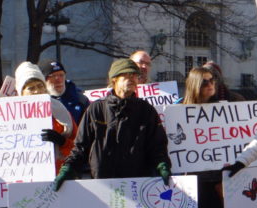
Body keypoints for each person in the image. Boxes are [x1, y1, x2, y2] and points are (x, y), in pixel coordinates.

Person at [53, 58, 171, 187]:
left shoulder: (146, 110)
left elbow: (157, 145)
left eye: (135, 75)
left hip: (137, 184)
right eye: (126, 75)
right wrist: (68, 169)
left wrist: (162, 165)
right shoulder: (96, 109)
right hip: (103, 184)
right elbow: (81, 147)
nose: (132, 78)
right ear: (114, 79)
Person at [181, 67, 229, 208]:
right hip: (192, 182)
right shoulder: (180, 111)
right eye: (205, 82)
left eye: (212, 81)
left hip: (217, 181)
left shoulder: (223, 110)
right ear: (195, 85)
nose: (211, 85)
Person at [15, 61, 76, 171]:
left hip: (59, 174)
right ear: (21, 92)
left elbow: (78, 146)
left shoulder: (59, 110)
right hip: (25, 175)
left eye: (40, 86)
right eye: (31, 88)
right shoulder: (11, 116)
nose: (37, 91)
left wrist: (62, 142)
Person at [43, 60, 90, 125]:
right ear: (44, 80)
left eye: (61, 75)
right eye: (53, 76)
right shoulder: (38, 102)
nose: (59, 80)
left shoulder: (81, 100)